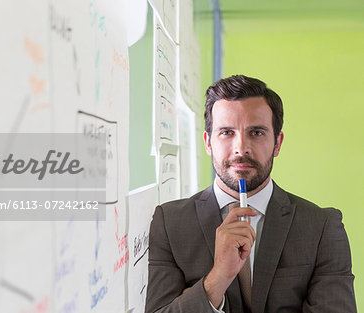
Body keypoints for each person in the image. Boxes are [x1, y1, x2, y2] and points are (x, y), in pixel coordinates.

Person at [145, 75, 356, 313]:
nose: (241, 148)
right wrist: (217, 279)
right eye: (226, 132)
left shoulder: (321, 227)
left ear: (277, 143)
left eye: (256, 133)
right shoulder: (170, 223)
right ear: (208, 142)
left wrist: (191, 297)